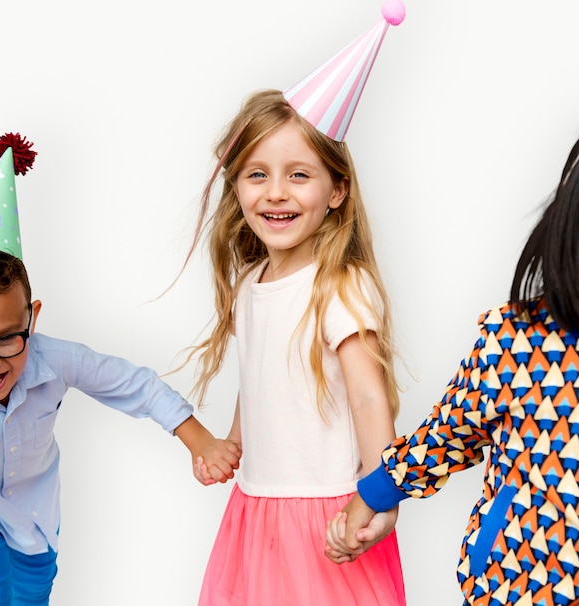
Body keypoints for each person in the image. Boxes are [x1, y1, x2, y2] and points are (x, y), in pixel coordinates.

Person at [326, 121, 579, 606]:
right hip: (517, 589)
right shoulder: (518, 341)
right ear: (575, 230)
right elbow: (446, 433)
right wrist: (374, 494)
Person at [182, 86, 406, 605]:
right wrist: (233, 444)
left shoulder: (339, 285)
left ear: (337, 190)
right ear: (236, 184)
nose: (276, 192)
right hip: (257, 511)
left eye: (298, 174)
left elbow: (367, 398)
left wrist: (382, 495)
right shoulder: (250, 283)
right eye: (257, 174)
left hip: (327, 513)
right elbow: (257, 377)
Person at [0, 244, 242, 605]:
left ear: (32, 319)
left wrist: (198, 439)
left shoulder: (56, 359)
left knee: (32, 595)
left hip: (36, 520)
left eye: (6, 340)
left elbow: (136, 385)